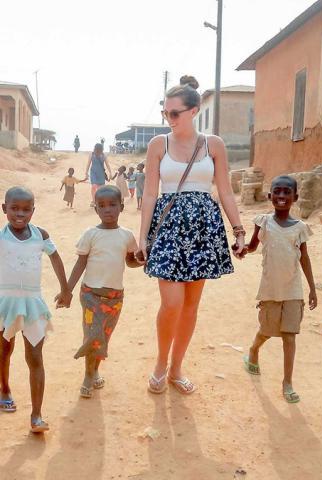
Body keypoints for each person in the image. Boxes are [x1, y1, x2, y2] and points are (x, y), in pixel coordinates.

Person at [137, 75, 245, 395]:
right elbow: (148, 195)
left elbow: (224, 190)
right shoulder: (159, 145)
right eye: (165, 113)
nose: (168, 119)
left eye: (174, 113)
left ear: (194, 111)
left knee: (190, 306)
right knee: (171, 302)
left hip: (203, 227)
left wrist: (238, 230)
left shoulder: (214, 145)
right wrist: (142, 238)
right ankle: (160, 362)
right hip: (168, 226)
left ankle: (176, 368)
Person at [0, 187, 72, 432]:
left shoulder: (40, 235)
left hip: (32, 304)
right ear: (4, 209)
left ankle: (36, 415)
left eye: (26, 209)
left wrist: (65, 289)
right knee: (4, 351)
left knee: (35, 357)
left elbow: (55, 257)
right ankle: (5, 389)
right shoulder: (1, 237)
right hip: (5, 304)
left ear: (33, 210)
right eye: (14, 209)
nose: (20, 214)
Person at [241, 175, 317, 404]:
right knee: (266, 330)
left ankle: (287, 382)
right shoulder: (263, 222)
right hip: (270, 290)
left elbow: (304, 258)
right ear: (269, 196)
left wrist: (312, 288)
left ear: (295, 197)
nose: (282, 196)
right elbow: (253, 246)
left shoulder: (300, 228)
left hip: (293, 290)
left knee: (289, 335)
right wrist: (242, 249)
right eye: (278, 192)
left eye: (287, 192)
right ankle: (254, 350)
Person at [63, 185, 142, 398]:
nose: (107, 209)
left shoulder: (127, 236)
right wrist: (67, 290)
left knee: (103, 338)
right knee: (94, 335)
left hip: (115, 297)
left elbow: (130, 262)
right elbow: (80, 264)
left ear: (121, 207)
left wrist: (143, 260)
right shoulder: (91, 234)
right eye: (102, 206)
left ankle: (94, 370)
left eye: (112, 205)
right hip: (90, 295)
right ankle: (88, 376)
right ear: (96, 209)